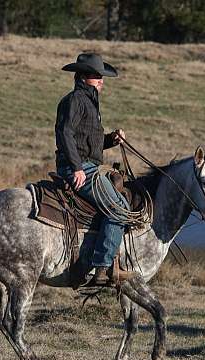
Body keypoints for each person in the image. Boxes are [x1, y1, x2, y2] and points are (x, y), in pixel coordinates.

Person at [54, 53, 131, 285]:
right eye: (97, 76)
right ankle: (103, 267)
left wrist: (111, 140)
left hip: (86, 165)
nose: (101, 80)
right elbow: (65, 133)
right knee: (119, 208)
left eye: (102, 76)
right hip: (79, 168)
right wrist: (76, 168)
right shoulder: (75, 100)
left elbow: (86, 141)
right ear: (85, 77)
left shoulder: (89, 102)